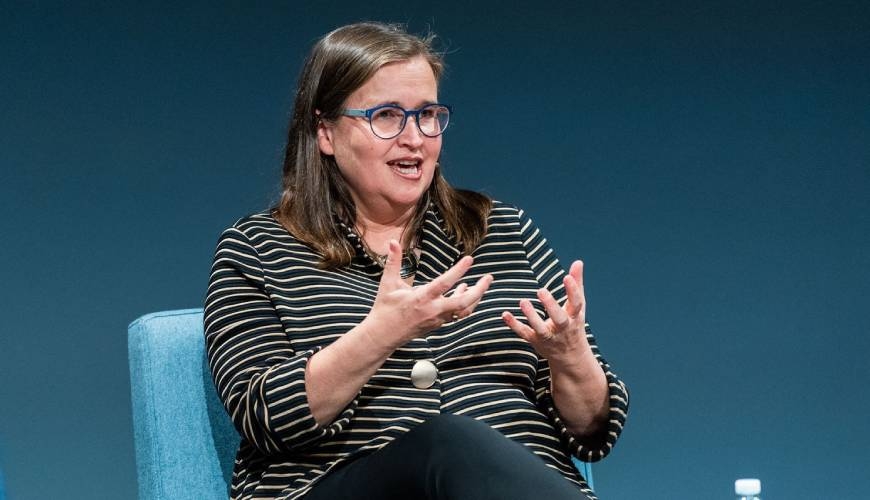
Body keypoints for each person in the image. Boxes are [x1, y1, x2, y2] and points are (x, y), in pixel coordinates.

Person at [204, 22, 628, 500]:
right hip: (335, 485)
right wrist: (382, 332)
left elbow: (595, 429)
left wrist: (571, 358)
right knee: (449, 442)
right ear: (325, 133)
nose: (414, 138)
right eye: (386, 116)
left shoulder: (503, 231)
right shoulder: (258, 248)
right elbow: (264, 416)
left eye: (427, 115)